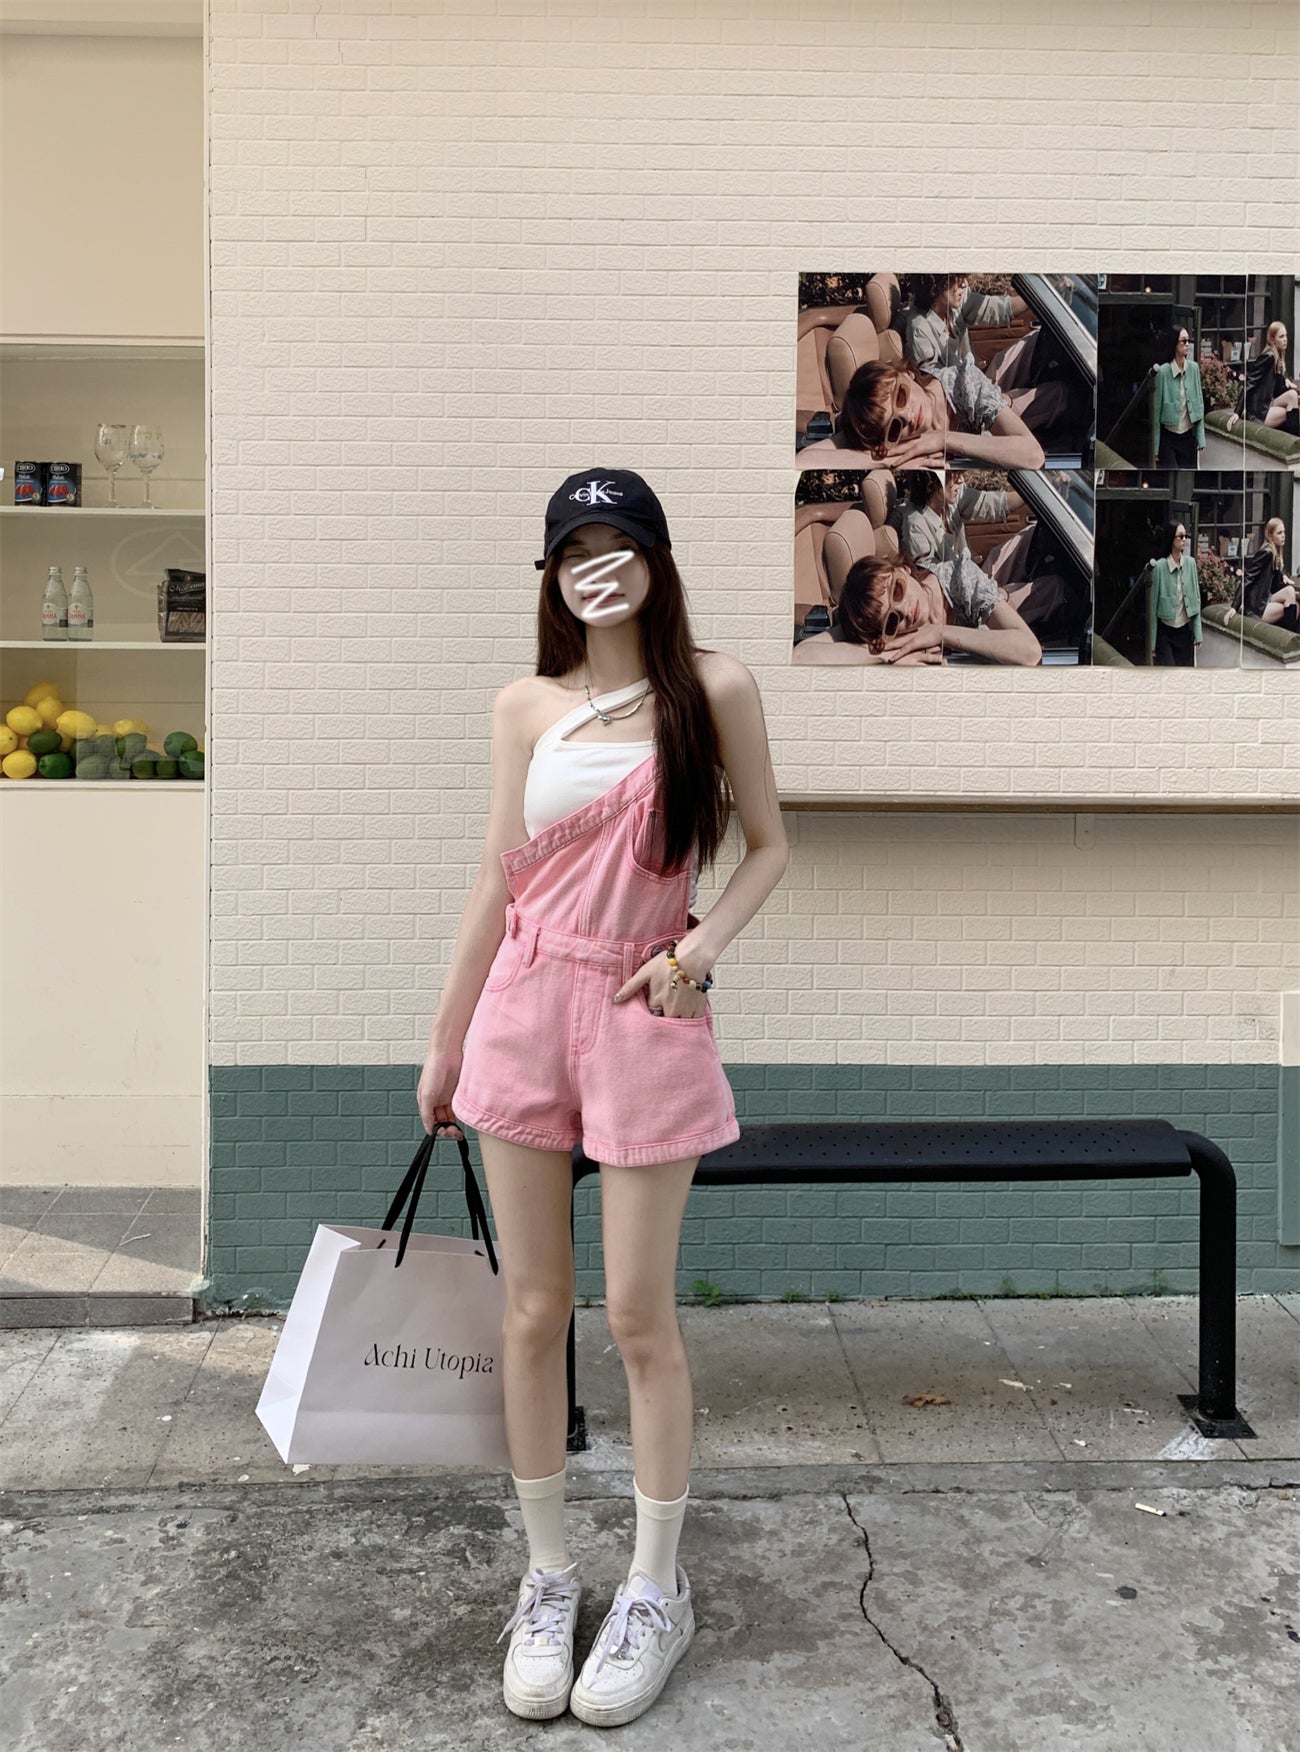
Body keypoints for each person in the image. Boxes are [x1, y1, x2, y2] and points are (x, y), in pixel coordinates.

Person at [417, 468, 788, 1728]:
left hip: (643, 1007)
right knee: (531, 1311)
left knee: (636, 1315)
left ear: (655, 560)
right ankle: (546, 1576)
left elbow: (770, 844)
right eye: (575, 549)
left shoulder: (713, 688)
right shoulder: (525, 705)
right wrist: (444, 1043)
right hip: (523, 1008)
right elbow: (496, 879)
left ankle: (653, 1587)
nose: (598, 567)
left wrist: (699, 952)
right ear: (552, 575)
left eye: (618, 543)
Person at [794, 356, 1045, 473]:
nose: (906, 415)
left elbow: (1032, 455)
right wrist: (886, 460)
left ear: (908, 375)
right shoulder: (896, 445)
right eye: (894, 427)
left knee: (1057, 396)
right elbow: (803, 461)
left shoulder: (963, 384)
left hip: (1022, 416)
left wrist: (943, 439)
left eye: (900, 395)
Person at [792, 550, 1042, 666]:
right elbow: (801, 655)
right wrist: (886, 655)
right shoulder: (884, 634)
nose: (903, 610)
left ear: (904, 569)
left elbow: (1029, 651)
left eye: (897, 590)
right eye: (891, 621)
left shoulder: (959, 579)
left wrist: (940, 633)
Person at [901, 273, 1069, 439]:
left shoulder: (954, 302)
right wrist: (995, 401)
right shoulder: (919, 329)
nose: (964, 285)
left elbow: (997, 308)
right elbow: (940, 388)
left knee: (1034, 340)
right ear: (935, 287)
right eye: (957, 281)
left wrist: (1041, 295)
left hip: (978, 383)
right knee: (1057, 394)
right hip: (969, 413)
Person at [1225, 516, 1300, 634]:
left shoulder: (1274, 552)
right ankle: (1288, 637)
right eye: (1279, 533)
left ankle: (1291, 636)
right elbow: (1248, 578)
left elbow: (1275, 572)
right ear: (1270, 536)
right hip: (1256, 608)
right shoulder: (1266, 553)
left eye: (1284, 532)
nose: (1283, 536)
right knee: (1294, 608)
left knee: (1291, 593)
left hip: (1265, 598)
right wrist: (1234, 607)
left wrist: (1283, 575)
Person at [1225, 321, 1300, 437]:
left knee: (1292, 396)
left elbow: (1276, 388)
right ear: (1273, 340)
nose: (1285, 339)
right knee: (1290, 414)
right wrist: (1237, 412)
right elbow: (1250, 382)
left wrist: (1284, 380)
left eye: (1285, 336)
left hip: (1267, 403)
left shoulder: (1277, 356)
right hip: (1258, 413)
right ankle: (1292, 440)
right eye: (1281, 336)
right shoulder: (1268, 356)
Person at [1146, 520, 1203, 665]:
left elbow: (1196, 600)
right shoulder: (1159, 567)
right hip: (1164, 633)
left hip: (1184, 631)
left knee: (1183, 675)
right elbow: (1152, 607)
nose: (1184, 539)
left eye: (1186, 536)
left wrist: (1198, 634)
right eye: (1180, 536)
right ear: (1172, 538)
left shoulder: (1190, 564)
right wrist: (1152, 644)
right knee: (1169, 672)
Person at [1150, 324, 1205, 468]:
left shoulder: (1194, 368)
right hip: (1168, 438)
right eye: (1184, 341)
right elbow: (1156, 412)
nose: (1187, 344)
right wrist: (1155, 448)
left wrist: (1201, 438)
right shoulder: (1163, 372)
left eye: (1189, 341)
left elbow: (1199, 405)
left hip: (1188, 437)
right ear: (1174, 343)